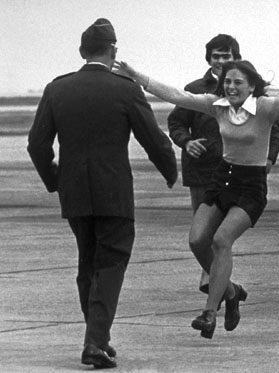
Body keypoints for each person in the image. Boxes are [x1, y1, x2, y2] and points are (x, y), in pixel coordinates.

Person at [115, 59, 279, 338]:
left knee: (221, 240)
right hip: (221, 179)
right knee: (196, 241)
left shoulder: (264, 108)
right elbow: (176, 95)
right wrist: (137, 76)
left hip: (251, 186)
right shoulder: (217, 106)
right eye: (227, 81)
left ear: (251, 86)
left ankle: (208, 314)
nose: (231, 87)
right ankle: (231, 291)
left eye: (238, 82)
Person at [27, 19, 177, 369]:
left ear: (82, 52)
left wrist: (55, 179)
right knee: (110, 264)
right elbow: (152, 138)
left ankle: (97, 337)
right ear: (113, 51)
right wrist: (170, 171)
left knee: (88, 264)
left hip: (75, 194)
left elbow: (37, 144)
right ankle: (94, 341)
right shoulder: (125, 89)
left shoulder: (56, 89)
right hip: (114, 195)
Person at [167, 34, 279, 294]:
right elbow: (175, 122)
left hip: (240, 172)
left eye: (226, 56)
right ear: (208, 58)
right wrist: (186, 142)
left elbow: (273, 130)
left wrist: (269, 158)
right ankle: (220, 285)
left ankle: (214, 283)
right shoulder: (196, 89)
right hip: (201, 170)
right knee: (201, 233)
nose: (220, 60)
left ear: (236, 59)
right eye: (216, 56)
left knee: (222, 235)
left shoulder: (245, 89)